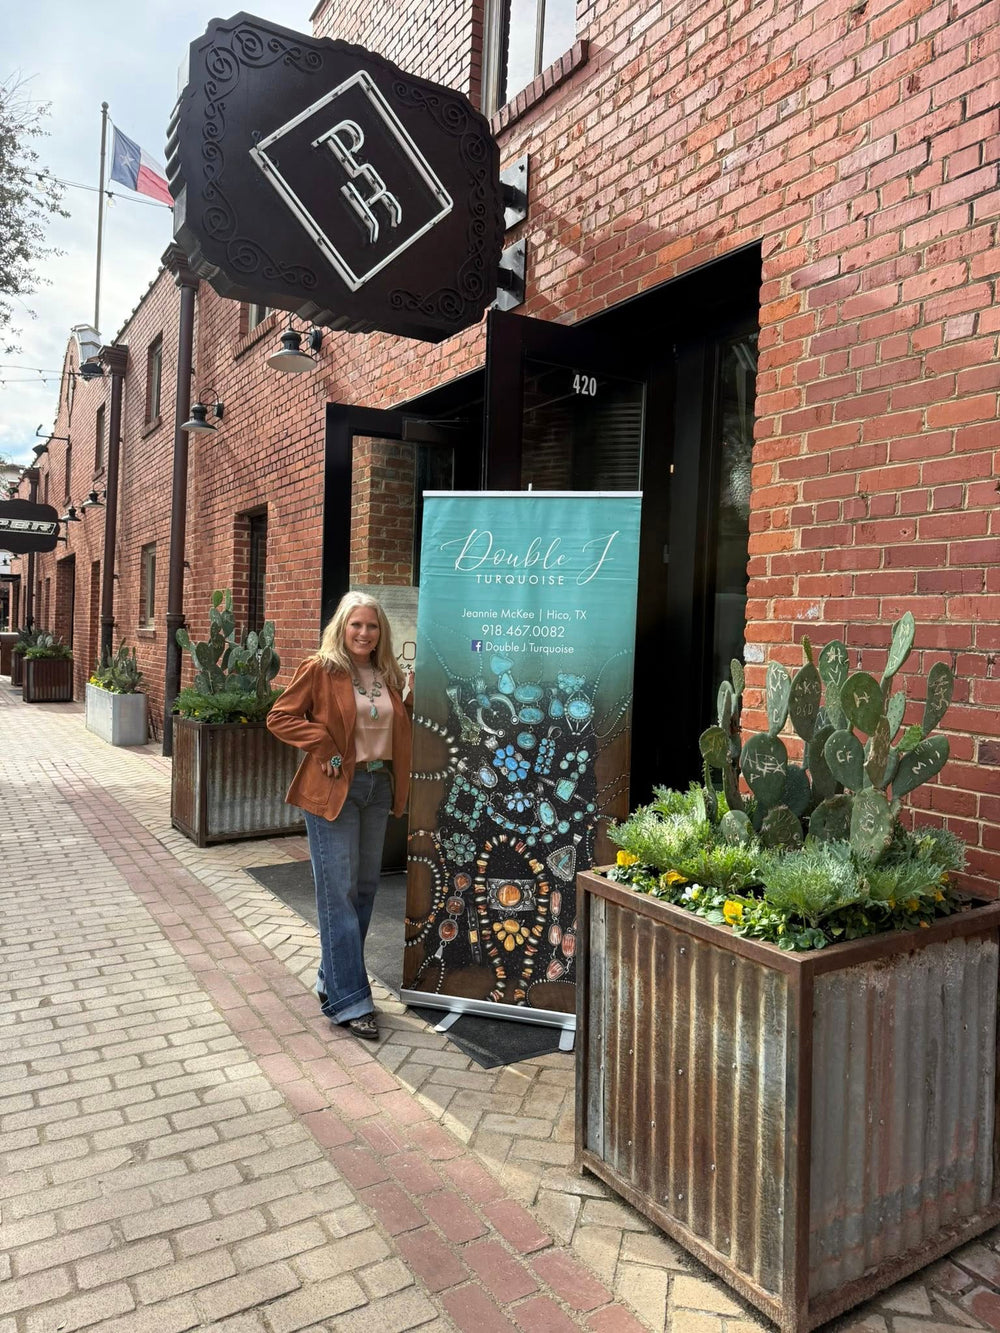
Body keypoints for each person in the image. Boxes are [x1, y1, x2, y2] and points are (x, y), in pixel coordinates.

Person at [266, 593, 412, 1041]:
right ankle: (351, 1000)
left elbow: (393, 728)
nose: (364, 633)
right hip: (335, 790)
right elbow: (280, 717)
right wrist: (324, 745)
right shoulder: (321, 669)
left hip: (377, 787)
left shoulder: (388, 675)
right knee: (338, 894)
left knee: (365, 891)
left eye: (372, 626)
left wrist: (410, 701)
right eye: (356, 625)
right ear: (342, 628)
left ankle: (335, 980)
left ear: (381, 632)